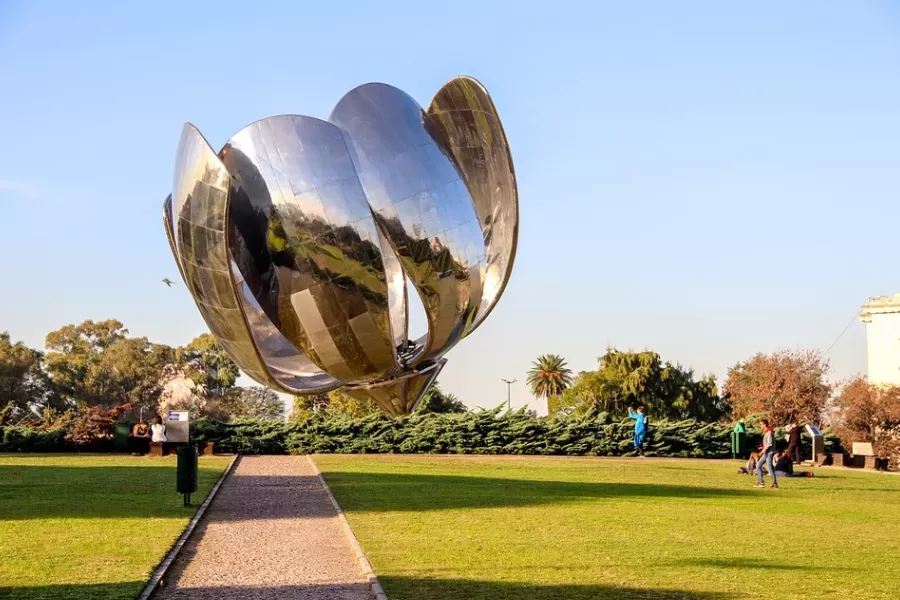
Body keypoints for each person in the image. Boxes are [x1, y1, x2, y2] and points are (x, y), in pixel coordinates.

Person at [755, 419, 778, 489]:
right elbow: (767, 444)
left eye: (761, 424)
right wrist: (762, 447)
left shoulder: (769, 432)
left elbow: (769, 444)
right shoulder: (766, 432)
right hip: (766, 453)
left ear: (765, 424)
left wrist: (762, 451)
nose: (760, 426)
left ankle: (774, 484)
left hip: (769, 453)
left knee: (770, 468)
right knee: (758, 465)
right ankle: (761, 482)